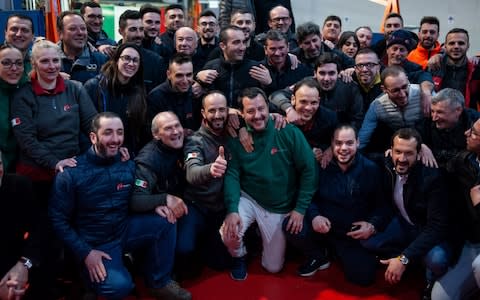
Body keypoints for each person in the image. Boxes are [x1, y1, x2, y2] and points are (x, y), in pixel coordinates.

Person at [49, 112, 191, 300]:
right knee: (121, 287)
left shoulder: (127, 163)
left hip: (125, 229)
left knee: (166, 219)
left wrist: (155, 204)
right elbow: (58, 220)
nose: (115, 139)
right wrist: (85, 253)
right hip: (95, 242)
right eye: (108, 133)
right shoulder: (70, 174)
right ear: (93, 137)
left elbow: (136, 197)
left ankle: (159, 283)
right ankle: (86, 279)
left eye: (119, 132)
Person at [220, 87, 317, 280]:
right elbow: (232, 175)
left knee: (273, 267)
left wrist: (300, 209)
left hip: (279, 206)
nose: (257, 115)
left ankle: (259, 238)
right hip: (249, 198)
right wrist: (232, 209)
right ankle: (239, 256)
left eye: (261, 108)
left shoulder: (288, 131)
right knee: (228, 232)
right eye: (250, 111)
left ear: (268, 107)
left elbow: (310, 171)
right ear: (241, 113)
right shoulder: (236, 137)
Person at [285, 124, 388, 286]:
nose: (343, 148)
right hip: (322, 229)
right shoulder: (321, 166)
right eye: (338, 143)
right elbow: (308, 196)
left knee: (363, 277)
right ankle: (318, 255)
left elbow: (383, 207)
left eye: (349, 143)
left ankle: (336, 254)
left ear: (358, 143)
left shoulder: (371, 169)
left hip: (350, 236)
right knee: (291, 226)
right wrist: (315, 216)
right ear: (331, 145)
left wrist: (372, 225)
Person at [362, 128, 451, 299]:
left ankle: (425, 275)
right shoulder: (387, 162)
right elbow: (359, 154)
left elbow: (436, 227)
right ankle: (410, 257)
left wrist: (404, 259)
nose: (402, 159)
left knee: (436, 260)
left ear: (419, 154)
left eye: (409, 153)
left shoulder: (432, 177)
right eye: (398, 152)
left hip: (429, 232)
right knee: (367, 240)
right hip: (403, 224)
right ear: (391, 150)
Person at [178, 91, 232, 277]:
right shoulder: (194, 141)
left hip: (220, 208)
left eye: (221, 110)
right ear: (203, 113)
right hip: (197, 206)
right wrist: (210, 169)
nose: (217, 115)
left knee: (222, 263)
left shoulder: (233, 133)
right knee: (185, 255)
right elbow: (192, 173)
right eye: (212, 110)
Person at [433, 118, 480, 299]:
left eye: (474, 133)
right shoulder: (464, 160)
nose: (466, 133)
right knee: (440, 297)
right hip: (471, 244)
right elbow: (437, 174)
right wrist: (416, 150)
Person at [358, 66, 434, 165]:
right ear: (384, 89)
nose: (402, 94)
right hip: (399, 148)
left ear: (407, 80)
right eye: (395, 90)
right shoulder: (377, 106)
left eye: (404, 87)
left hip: (429, 145)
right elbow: (363, 139)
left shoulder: (424, 95)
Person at [84, 42, 149, 156]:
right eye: (126, 58)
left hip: (127, 153)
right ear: (116, 60)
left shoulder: (139, 90)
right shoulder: (95, 86)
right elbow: (87, 125)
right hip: (99, 152)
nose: (131, 63)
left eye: (135, 60)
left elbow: (137, 130)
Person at [199, 25, 270, 108]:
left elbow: (267, 100)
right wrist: (198, 79)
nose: (242, 48)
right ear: (222, 46)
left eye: (243, 42)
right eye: (236, 42)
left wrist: (269, 84)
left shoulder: (256, 68)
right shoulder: (211, 67)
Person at [421, 88, 480, 168]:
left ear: (458, 110)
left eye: (440, 112)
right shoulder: (428, 120)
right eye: (432, 111)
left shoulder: (475, 122)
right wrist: (421, 145)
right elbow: (411, 133)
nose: (434, 118)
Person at [429, 28, 480, 110]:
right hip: (437, 119)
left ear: (468, 46)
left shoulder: (476, 72)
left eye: (461, 43)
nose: (456, 46)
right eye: (452, 43)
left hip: (467, 120)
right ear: (445, 46)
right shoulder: (433, 67)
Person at [118, 10, 167, 93]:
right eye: (133, 29)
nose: (139, 35)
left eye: (141, 29)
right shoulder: (109, 56)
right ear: (121, 31)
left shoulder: (155, 61)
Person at [147, 53, 198, 133]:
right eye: (179, 76)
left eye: (189, 75)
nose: (185, 81)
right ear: (169, 74)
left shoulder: (196, 93)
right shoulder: (155, 97)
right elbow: (153, 133)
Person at [57, 11, 108, 83]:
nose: (80, 32)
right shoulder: (47, 60)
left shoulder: (101, 61)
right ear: (60, 33)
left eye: (83, 28)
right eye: (73, 29)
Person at [261, 29, 311, 95]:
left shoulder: (301, 70)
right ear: (265, 49)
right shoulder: (259, 71)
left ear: (288, 47)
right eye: (273, 49)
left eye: (281, 48)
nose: (277, 53)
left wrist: (270, 84)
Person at [0, 45, 25, 172]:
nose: (14, 68)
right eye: (6, 63)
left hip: (23, 165)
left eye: (19, 63)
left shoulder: (27, 88)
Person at [4, 14, 34, 78]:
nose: (19, 34)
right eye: (14, 29)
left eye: (25, 30)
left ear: (32, 36)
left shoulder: (38, 63)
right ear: (5, 33)